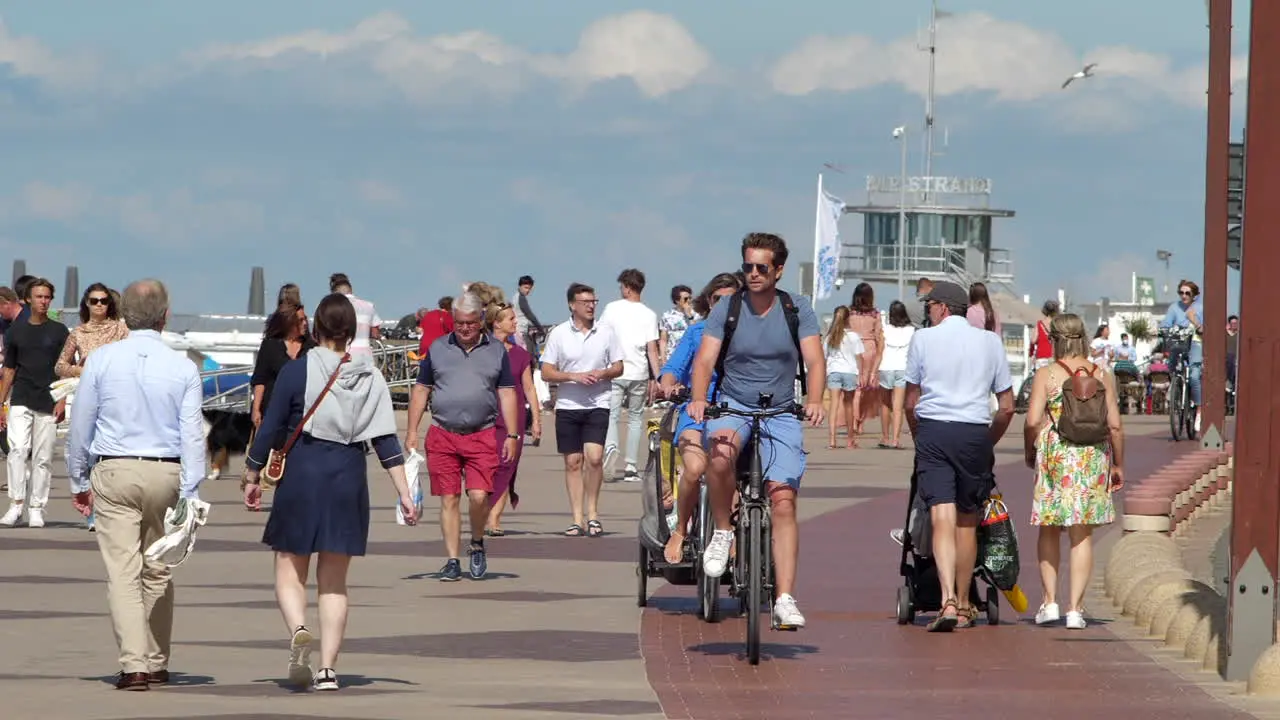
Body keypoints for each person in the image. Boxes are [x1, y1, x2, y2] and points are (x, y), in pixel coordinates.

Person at [244, 293, 416, 691]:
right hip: (348, 473)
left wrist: (252, 474)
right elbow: (385, 442)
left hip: (303, 470)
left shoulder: (296, 370)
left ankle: (299, 629)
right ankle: (326, 670)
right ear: (352, 330)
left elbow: (270, 428)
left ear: (317, 329)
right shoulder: (371, 376)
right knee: (334, 582)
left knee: (289, 567)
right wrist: (404, 494)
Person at [65, 279, 208, 690]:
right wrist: (192, 490)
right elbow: (192, 433)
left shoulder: (103, 360)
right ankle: (158, 659)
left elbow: (82, 424)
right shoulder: (182, 366)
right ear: (165, 317)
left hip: (115, 469)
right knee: (159, 567)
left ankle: (134, 664)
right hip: (167, 470)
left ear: (123, 314)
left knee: (123, 571)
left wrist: (77, 477)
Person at [687, 232, 826, 629]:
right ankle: (724, 532)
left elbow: (814, 360)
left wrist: (814, 399)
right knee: (718, 455)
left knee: (783, 499)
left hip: (781, 409)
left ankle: (784, 597)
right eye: (747, 266)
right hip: (734, 405)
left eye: (761, 267)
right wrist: (699, 398)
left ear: (778, 270)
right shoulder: (727, 307)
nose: (752, 274)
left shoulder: (796, 308)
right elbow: (705, 359)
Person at [904, 280, 1015, 631]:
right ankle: (966, 603)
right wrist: (987, 442)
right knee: (968, 521)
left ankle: (946, 600)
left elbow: (910, 401)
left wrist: (918, 434)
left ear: (942, 307)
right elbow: (1007, 407)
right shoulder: (990, 342)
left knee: (941, 516)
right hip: (973, 432)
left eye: (930, 306)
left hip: (934, 429)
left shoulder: (922, 339)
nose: (928, 312)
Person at [405, 292, 519, 581]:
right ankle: (453, 559)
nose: (465, 329)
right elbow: (421, 389)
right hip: (443, 433)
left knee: (480, 496)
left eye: (470, 323)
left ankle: (477, 542)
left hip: (482, 434)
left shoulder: (496, 351)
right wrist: (411, 431)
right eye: (459, 323)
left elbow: (507, 392)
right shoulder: (438, 348)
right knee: (449, 498)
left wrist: (514, 434)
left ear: (481, 320)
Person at [1024, 313, 1124, 629]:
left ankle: (1050, 603)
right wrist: (1118, 463)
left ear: (1054, 339)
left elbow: (1031, 421)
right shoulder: (1103, 374)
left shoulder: (1047, 375)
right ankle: (1076, 611)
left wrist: (1032, 450)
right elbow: (1116, 426)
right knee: (1082, 534)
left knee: (1049, 527)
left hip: (1056, 453)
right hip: (1092, 455)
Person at [656, 271, 742, 564]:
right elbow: (674, 366)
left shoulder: (746, 333)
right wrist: (668, 383)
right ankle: (680, 529)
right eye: (718, 300)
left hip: (734, 411)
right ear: (708, 300)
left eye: (732, 301)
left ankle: (731, 532)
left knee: (735, 472)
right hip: (697, 409)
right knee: (693, 468)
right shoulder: (697, 332)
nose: (724, 306)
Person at [540, 283, 624, 537]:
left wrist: (604, 372)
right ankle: (577, 518)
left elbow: (619, 366)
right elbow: (546, 371)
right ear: (571, 305)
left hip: (598, 401)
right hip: (568, 405)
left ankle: (593, 514)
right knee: (573, 461)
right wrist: (573, 377)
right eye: (585, 302)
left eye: (594, 301)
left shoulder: (606, 332)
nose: (590, 306)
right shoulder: (559, 333)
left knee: (595, 457)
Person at [0, 278, 69, 528]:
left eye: (47, 297)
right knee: (17, 450)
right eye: (39, 297)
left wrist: (62, 400)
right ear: (28, 299)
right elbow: (9, 369)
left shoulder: (59, 331)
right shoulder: (15, 332)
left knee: (43, 456)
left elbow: (63, 370)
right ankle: (16, 505)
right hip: (21, 398)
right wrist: (1, 402)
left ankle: (37, 506)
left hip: (48, 399)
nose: (43, 301)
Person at [484, 301, 542, 537]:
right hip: (485, 415)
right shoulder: (482, 350)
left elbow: (529, 388)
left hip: (514, 417)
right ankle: (484, 510)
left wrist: (536, 419)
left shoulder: (521, 354)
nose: (515, 322)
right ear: (496, 323)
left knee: (507, 465)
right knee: (487, 465)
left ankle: (494, 518)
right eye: (510, 319)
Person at [600, 269, 661, 481]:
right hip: (639, 371)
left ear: (627, 287)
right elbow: (652, 349)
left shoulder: (611, 309)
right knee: (636, 418)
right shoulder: (649, 314)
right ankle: (631, 467)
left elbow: (602, 339)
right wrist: (658, 377)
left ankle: (611, 449)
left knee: (612, 415)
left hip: (615, 370)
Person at [55, 283, 130, 380]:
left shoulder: (121, 329)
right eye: (94, 301)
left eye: (104, 301)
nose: (99, 304)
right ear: (87, 302)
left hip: (114, 384)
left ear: (108, 303)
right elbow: (59, 367)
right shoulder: (78, 332)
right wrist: (77, 371)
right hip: (87, 386)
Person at [823, 305, 866, 449]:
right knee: (849, 406)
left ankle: (832, 440)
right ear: (848, 319)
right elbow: (860, 357)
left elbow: (824, 357)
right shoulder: (853, 336)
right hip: (849, 372)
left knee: (834, 405)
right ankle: (850, 440)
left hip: (833, 371)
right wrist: (861, 374)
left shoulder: (829, 337)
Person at [846, 283, 883, 439]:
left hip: (852, 347)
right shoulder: (875, 314)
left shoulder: (849, 313)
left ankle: (854, 422)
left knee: (856, 388)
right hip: (869, 348)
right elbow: (879, 334)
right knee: (867, 388)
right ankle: (860, 422)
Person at [878, 300, 916, 449]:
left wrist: (873, 370)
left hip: (886, 367)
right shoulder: (911, 331)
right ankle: (895, 439)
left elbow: (880, 351)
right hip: (903, 368)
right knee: (898, 406)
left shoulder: (884, 330)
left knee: (885, 404)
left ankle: (885, 437)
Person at [327, 273, 382, 360]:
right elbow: (375, 333)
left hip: (341, 357)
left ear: (333, 291)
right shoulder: (368, 306)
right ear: (350, 289)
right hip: (365, 357)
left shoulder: (332, 308)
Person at [660, 285, 697, 361]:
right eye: (685, 299)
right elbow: (664, 339)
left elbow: (696, 332)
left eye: (690, 298)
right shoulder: (667, 315)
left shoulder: (696, 314)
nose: (689, 301)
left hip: (690, 356)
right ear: (677, 300)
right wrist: (663, 359)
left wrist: (689, 316)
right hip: (673, 356)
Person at [513, 275, 545, 356]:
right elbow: (529, 315)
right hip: (521, 331)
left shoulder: (515, 296)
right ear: (520, 286)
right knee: (528, 356)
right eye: (526, 287)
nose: (528, 290)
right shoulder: (521, 298)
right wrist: (540, 329)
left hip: (518, 330)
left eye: (529, 288)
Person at [1029, 300, 1060, 369]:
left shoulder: (1040, 324)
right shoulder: (1057, 324)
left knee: (1040, 377)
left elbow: (1033, 340)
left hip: (1041, 356)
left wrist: (1031, 353)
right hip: (1054, 357)